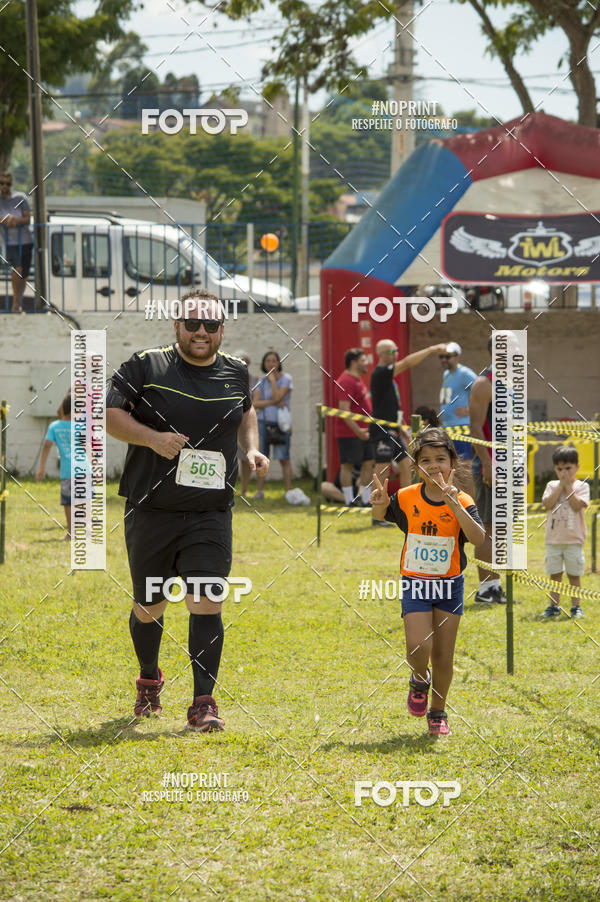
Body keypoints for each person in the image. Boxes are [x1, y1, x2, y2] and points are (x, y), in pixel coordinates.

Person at [106, 289, 269, 732]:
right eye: (192, 324)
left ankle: (203, 702)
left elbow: (246, 412)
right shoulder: (146, 365)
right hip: (152, 508)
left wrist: (252, 449)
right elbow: (109, 415)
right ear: (176, 325)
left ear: (222, 330)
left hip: (209, 511)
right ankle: (149, 675)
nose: (201, 332)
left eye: (211, 325)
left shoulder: (236, 371)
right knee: (150, 604)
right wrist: (153, 439)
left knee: (206, 600)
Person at [371, 428, 485, 736]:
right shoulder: (407, 497)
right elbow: (384, 514)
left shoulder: (463, 499)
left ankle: (438, 712)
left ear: (452, 463)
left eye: (440, 459)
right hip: (416, 583)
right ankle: (419, 678)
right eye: (426, 461)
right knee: (418, 645)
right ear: (416, 466)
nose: (434, 466)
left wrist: (455, 505)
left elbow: (477, 538)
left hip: (450, 586)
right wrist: (379, 503)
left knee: (443, 656)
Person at [370, 340, 447, 497]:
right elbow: (406, 363)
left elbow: (393, 407)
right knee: (382, 470)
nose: (396, 354)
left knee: (406, 466)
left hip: (394, 430)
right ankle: (376, 514)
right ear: (382, 355)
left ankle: (404, 505)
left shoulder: (389, 380)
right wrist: (431, 348)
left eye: (397, 350)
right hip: (382, 432)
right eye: (392, 352)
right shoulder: (380, 373)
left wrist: (403, 427)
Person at [468, 337, 507, 605]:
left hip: (507, 464)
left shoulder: (510, 385)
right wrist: (487, 462)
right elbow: (474, 426)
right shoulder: (484, 384)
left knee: (500, 527)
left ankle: (495, 586)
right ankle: (485, 590)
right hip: (489, 464)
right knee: (487, 528)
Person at [540, 446, 589, 619]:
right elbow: (547, 504)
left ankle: (576, 607)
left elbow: (577, 506)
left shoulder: (582, 486)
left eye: (568, 468)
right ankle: (554, 605)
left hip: (573, 540)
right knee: (555, 574)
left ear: (577, 466)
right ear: (555, 469)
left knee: (573, 574)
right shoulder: (551, 485)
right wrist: (560, 486)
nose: (564, 472)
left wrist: (568, 487)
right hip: (553, 540)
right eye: (560, 469)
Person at [252, 351, 307, 504]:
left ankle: (288, 491)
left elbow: (278, 397)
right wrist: (271, 402)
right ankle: (260, 490)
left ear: (278, 363)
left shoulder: (286, 379)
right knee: (261, 457)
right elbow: (255, 403)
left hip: (281, 425)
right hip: (263, 423)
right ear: (264, 364)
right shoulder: (261, 381)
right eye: (268, 361)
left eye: (274, 360)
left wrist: (273, 382)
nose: (271, 364)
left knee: (283, 458)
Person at [334, 348, 374, 511]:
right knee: (347, 465)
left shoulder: (357, 379)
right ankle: (349, 501)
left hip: (365, 432)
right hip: (349, 433)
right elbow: (344, 410)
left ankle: (365, 500)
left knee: (368, 463)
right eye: (363, 360)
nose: (366, 363)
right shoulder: (346, 380)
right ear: (354, 363)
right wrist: (358, 431)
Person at [35, 393, 72, 538]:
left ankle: (71, 532)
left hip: (68, 470)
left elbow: (47, 446)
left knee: (68, 502)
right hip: (84, 469)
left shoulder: (55, 426)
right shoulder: (82, 425)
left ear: (62, 408)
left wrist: (41, 468)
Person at [0, 172, 34, 313]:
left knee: (24, 274)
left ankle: (18, 302)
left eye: (7, 184)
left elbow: (27, 219)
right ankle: (15, 303)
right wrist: (5, 221)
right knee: (17, 269)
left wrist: (15, 221)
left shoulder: (20, 197)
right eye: (2, 183)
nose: (4, 186)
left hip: (26, 240)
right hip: (10, 243)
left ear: (11, 184)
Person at [439, 342, 477, 461]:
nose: (444, 359)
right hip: (448, 427)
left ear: (457, 356)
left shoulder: (464, 373)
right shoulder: (446, 374)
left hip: (461, 427)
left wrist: (471, 410)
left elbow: (484, 391)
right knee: (453, 464)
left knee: (464, 464)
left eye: (448, 356)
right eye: (441, 357)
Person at [233, 350, 258, 497]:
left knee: (246, 457)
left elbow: (254, 404)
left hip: (245, 424)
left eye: (244, 361)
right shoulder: (227, 378)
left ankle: (244, 489)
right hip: (230, 424)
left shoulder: (254, 380)